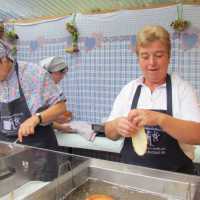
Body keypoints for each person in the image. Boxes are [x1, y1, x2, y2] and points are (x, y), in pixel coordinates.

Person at [105, 25, 200, 174]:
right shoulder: (129, 89)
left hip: (174, 182)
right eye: (145, 56)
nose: (151, 63)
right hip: (132, 178)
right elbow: (108, 132)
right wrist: (117, 126)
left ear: (169, 57)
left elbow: (197, 135)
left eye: (159, 55)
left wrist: (160, 119)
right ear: (138, 59)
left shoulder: (182, 89)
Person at [0, 42, 67, 150]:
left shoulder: (33, 73)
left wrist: (36, 118)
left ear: (3, 59)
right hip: (8, 152)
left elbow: (60, 107)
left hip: (39, 151)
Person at [40, 56, 73, 133]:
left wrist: (56, 117)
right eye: (61, 73)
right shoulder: (39, 90)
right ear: (49, 73)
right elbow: (38, 118)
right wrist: (61, 127)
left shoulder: (54, 88)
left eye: (64, 74)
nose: (62, 77)